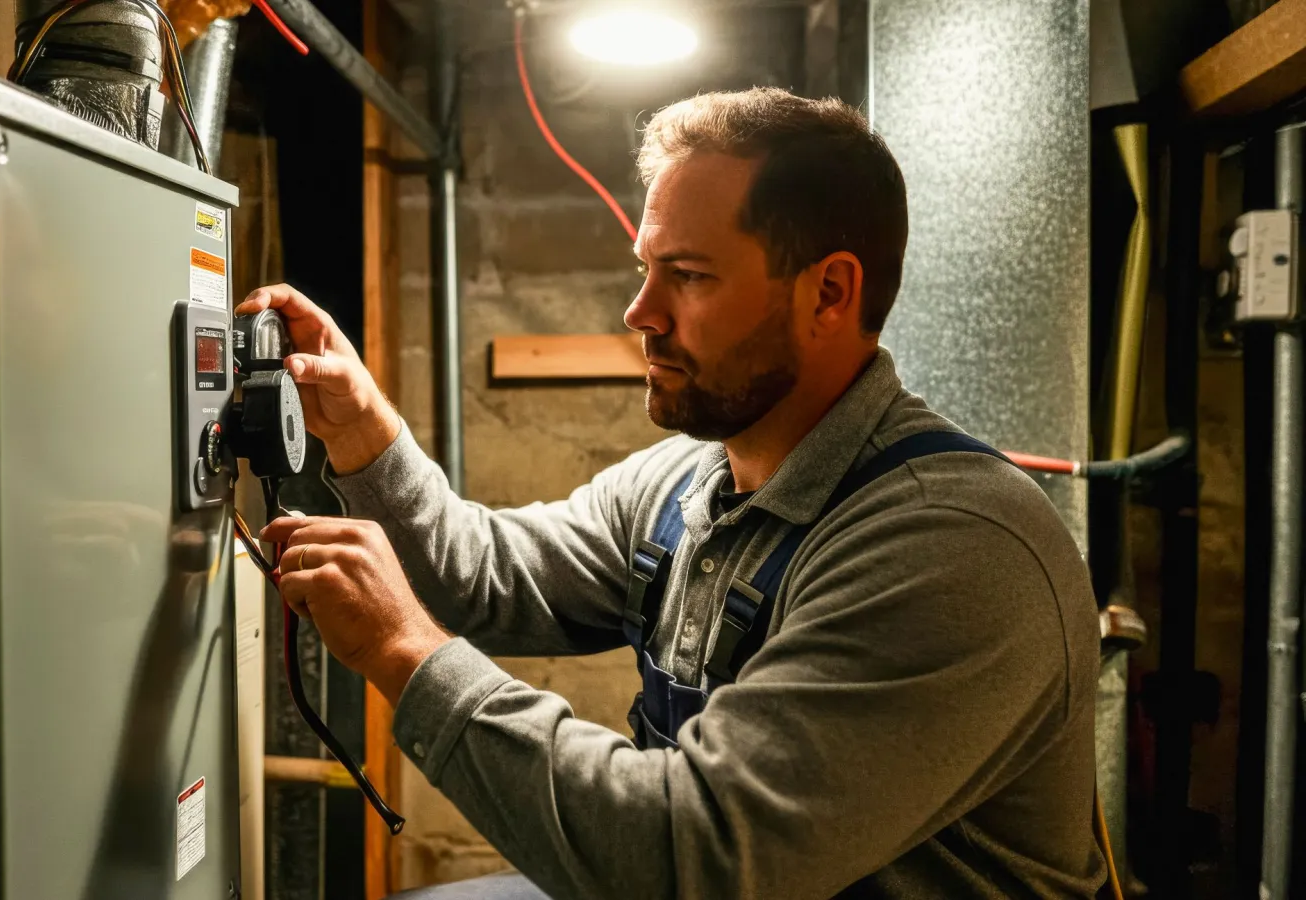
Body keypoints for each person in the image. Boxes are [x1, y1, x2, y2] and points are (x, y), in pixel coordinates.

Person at [242, 87, 1104, 899]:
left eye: (688, 275)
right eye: (646, 268)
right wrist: (362, 435)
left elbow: (693, 856)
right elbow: (485, 577)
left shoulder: (946, 549)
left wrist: (406, 653)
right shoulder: (691, 483)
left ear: (829, 293)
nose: (640, 311)